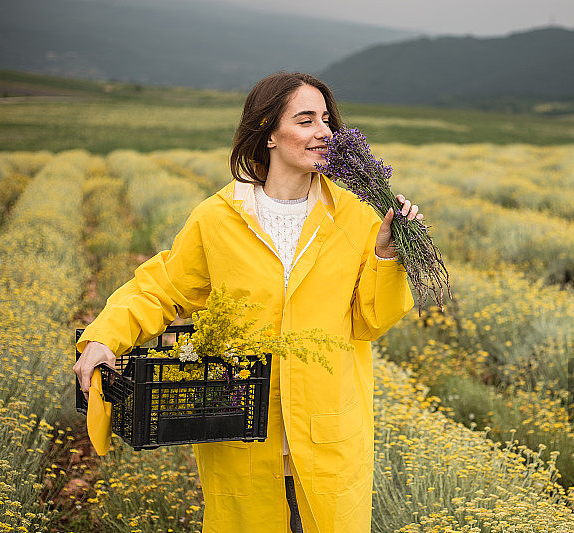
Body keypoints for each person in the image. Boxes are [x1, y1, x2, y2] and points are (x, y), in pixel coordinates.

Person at [73, 72, 421, 533]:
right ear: (268, 132)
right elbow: (160, 288)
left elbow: (371, 320)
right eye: (305, 120)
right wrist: (103, 337)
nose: (324, 133)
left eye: (326, 120)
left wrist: (386, 256)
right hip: (240, 426)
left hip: (329, 431)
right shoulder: (218, 218)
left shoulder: (356, 215)